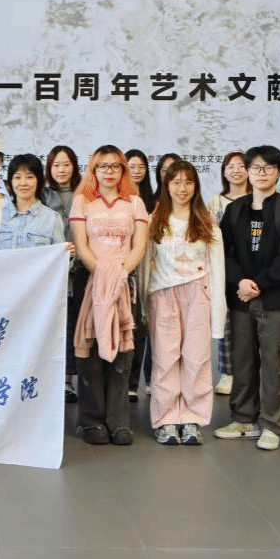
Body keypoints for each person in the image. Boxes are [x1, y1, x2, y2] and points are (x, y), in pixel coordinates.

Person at [214, 145, 280, 451]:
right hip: (241, 299)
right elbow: (224, 252)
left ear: (278, 172)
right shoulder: (235, 210)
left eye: (268, 168)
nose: (261, 173)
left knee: (274, 364)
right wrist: (240, 281)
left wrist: (258, 284)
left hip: (274, 300)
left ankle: (272, 425)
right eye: (255, 167)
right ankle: (243, 419)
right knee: (243, 362)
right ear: (247, 172)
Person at [70, 146, 149, 446]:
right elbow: (81, 246)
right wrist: (104, 274)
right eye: (102, 166)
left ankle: (118, 422)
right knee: (90, 348)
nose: (109, 172)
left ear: (123, 171)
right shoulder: (82, 201)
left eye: (115, 166)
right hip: (90, 281)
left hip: (124, 283)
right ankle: (90, 422)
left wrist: (120, 274)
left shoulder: (135, 203)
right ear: (94, 170)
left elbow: (139, 246)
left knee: (122, 352)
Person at [143, 160, 226, 446]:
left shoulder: (206, 220)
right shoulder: (155, 219)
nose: (182, 188)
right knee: (164, 359)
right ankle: (166, 419)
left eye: (188, 182)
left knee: (197, 358)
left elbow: (217, 269)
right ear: (166, 185)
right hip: (163, 295)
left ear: (196, 186)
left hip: (198, 294)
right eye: (176, 182)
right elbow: (145, 265)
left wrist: (218, 313)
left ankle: (192, 418)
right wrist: (143, 305)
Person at [207, 150, 251, 396]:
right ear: (224, 172)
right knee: (226, 323)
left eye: (241, 165)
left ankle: (249, 373)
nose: (236, 170)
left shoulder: (259, 197)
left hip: (252, 269)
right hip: (224, 268)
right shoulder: (216, 201)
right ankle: (227, 373)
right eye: (230, 166)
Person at [43, 144, 84, 403]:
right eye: (56, 165)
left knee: (75, 327)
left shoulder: (85, 195)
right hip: (52, 275)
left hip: (81, 269)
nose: (61, 170)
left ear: (74, 166)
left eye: (66, 164)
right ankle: (55, 380)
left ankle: (71, 380)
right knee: (54, 327)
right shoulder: (43, 195)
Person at [0, 153, 70, 253]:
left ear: (39, 181)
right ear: (10, 182)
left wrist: (68, 254)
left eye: (29, 177)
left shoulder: (52, 219)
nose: (23, 183)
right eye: (17, 177)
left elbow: (58, 258)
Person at [125, 148, 157, 401]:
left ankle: (134, 383)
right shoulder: (117, 198)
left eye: (141, 166)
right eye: (131, 166)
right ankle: (121, 381)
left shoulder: (153, 201)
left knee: (141, 330)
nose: (136, 171)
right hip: (122, 271)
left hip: (146, 271)